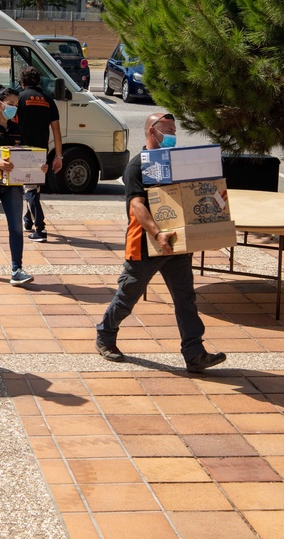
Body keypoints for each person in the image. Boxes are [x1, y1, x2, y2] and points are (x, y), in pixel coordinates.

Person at [95, 112, 228, 374]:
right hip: (146, 244)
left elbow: (191, 198)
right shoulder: (137, 166)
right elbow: (137, 206)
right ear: (151, 131)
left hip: (176, 244)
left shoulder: (176, 163)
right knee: (127, 296)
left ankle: (194, 354)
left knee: (185, 299)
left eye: (174, 130)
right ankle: (105, 335)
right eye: (167, 130)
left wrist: (209, 229)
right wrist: (158, 234)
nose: (172, 136)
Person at [0, 85, 46, 285]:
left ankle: (17, 269)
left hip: (12, 186)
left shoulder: (16, 129)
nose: (14, 108)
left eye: (16, 105)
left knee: (15, 227)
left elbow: (22, 155)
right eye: (11, 104)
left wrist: (39, 167)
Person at [16, 66, 63, 242]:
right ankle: (28, 220)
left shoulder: (20, 98)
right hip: (41, 151)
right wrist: (59, 156)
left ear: (22, 82)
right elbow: (56, 130)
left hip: (22, 150)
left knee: (29, 189)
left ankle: (40, 229)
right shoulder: (48, 100)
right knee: (33, 187)